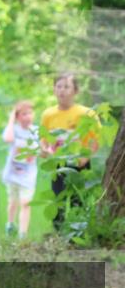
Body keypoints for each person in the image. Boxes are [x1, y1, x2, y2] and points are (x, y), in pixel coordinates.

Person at [40, 73, 100, 229]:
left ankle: (78, 232)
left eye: (67, 87)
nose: (62, 90)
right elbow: (43, 139)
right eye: (59, 86)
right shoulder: (48, 114)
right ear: (54, 89)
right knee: (58, 198)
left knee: (77, 200)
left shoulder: (86, 113)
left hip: (79, 163)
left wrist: (86, 158)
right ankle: (59, 233)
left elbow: (96, 139)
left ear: (75, 91)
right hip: (58, 164)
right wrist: (44, 150)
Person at [2, 101, 39, 239]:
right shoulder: (14, 130)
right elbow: (8, 138)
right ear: (17, 117)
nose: (28, 116)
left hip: (28, 174)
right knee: (13, 201)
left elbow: (43, 148)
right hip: (13, 173)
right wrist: (11, 119)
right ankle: (10, 224)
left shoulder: (36, 131)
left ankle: (23, 234)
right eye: (24, 114)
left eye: (30, 113)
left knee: (26, 202)